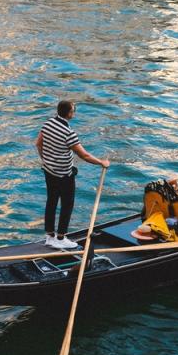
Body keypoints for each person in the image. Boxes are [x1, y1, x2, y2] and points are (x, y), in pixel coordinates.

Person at [35, 100, 109, 249]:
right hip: (64, 175)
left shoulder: (48, 123)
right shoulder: (69, 133)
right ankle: (61, 238)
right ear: (69, 114)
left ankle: (50, 236)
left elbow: (38, 143)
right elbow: (85, 156)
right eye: (73, 111)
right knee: (67, 204)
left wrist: (46, 160)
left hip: (49, 171)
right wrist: (102, 162)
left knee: (51, 201)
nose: (74, 113)